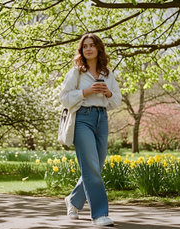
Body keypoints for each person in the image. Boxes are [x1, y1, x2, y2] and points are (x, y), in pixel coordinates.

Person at [59, 33, 122, 226]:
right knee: (92, 166)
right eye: (84, 46)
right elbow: (64, 98)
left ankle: (73, 200)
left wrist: (107, 92)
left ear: (98, 49)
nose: (88, 48)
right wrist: (85, 92)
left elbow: (116, 100)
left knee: (97, 165)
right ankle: (100, 214)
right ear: (81, 50)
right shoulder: (76, 72)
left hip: (101, 119)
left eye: (92, 45)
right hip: (82, 118)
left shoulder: (107, 74)